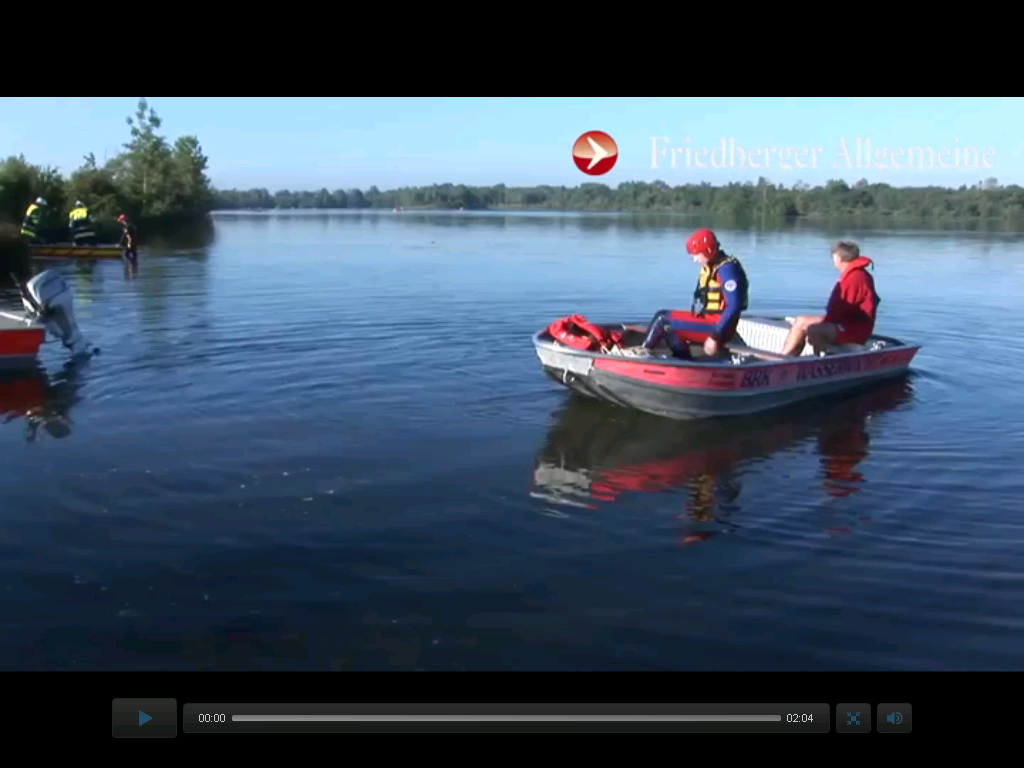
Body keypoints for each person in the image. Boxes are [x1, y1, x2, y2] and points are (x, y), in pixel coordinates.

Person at [623, 228, 749, 359]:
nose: (695, 260)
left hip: (719, 327)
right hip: (709, 321)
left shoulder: (727, 270)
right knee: (663, 318)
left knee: (663, 320)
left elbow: (734, 305)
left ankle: (641, 352)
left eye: (697, 255)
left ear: (708, 250)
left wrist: (715, 336)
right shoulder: (712, 266)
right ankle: (683, 360)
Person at [781, 241, 879, 357]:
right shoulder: (853, 274)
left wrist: (819, 322)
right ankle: (788, 357)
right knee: (801, 320)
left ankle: (787, 359)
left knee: (812, 328)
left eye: (834, 256)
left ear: (839, 258)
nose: (833, 259)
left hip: (854, 330)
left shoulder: (855, 278)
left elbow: (841, 311)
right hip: (845, 323)